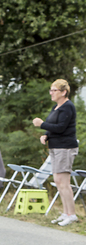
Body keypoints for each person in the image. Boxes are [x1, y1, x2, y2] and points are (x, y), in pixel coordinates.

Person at [33, 79, 79, 226]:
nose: (51, 93)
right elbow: (53, 127)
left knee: (64, 182)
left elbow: (61, 127)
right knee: (58, 182)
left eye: (54, 90)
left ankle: (72, 215)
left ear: (63, 92)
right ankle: (65, 212)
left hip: (65, 148)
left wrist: (41, 125)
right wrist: (46, 135)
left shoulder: (68, 107)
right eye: (50, 90)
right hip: (55, 147)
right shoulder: (56, 107)